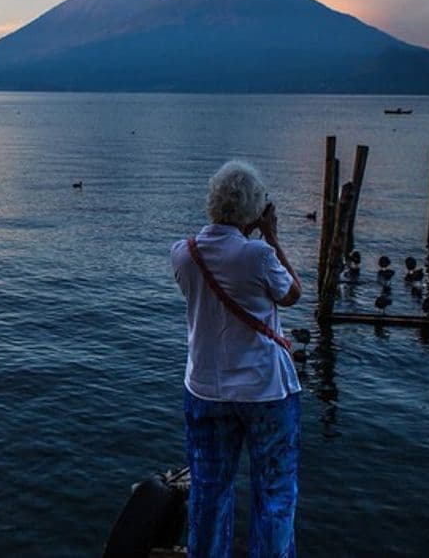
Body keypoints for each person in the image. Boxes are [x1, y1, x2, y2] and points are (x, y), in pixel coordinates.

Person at [170, 160, 303, 558]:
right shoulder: (259, 255)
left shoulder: (182, 254)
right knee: (275, 491)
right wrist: (272, 235)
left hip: (206, 389)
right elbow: (293, 294)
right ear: (254, 210)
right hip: (265, 391)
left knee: (209, 489)